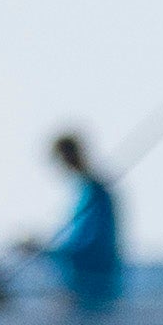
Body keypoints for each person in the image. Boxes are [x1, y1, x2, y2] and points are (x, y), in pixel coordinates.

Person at [50, 130, 125, 313]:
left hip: (95, 292)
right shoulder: (85, 191)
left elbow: (91, 245)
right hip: (80, 289)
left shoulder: (95, 193)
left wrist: (45, 251)